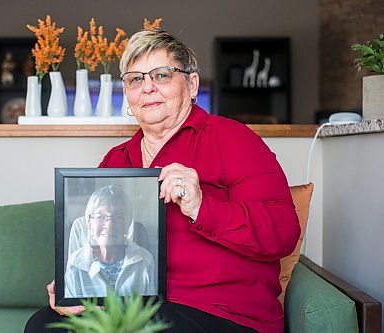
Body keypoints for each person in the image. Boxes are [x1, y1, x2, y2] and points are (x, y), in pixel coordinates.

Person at [25, 28, 299, 333]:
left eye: (162, 75)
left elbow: (284, 233)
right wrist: (75, 288)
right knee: (43, 325)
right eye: (136, 79)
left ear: (192, 84)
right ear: (127, 93)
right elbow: (103, 251)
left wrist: (201, 206)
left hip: (220, 313)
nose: (148, 88)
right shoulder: (117, 160)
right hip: (136, 308)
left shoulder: (233, 139)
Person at [64, 185, 155, 298]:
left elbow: (150, 308)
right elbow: (71, 309)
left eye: (118, 217)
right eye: (100, 216)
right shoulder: (75, 263)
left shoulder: (145, 260)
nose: (109, 225)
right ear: (89, 223)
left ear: (128, 224)